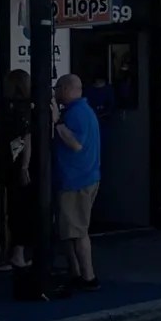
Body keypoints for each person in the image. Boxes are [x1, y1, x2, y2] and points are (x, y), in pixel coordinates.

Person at [53, 73, 102, 292]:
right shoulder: (83, 111)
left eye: (57, 88)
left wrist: (57, 124)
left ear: (66, 89)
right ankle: (76, 272)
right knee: (69, 230)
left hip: (77, 180)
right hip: (82, 178)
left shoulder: (77, 114)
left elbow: (76, 145)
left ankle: (88, 276)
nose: (55, 93)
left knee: (78, 230)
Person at [0, 68, 35, 272]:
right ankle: (17, 252)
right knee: (19, 208)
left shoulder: (7, 107)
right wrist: (25, 165)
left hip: (10, 163)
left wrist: (21, 164)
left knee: (15, 208)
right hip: (18, 163)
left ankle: (15, 252)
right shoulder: (24, 108)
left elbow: (23, 137)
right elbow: (26, 137)